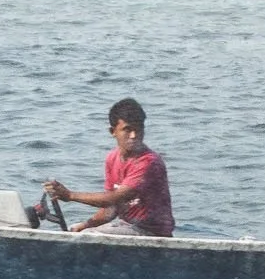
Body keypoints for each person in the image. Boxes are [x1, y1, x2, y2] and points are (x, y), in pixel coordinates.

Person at [43, 96, 175, 236]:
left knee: (88, 237)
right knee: (75, 230)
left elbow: (114, 198)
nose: (133, 136)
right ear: (113, 132)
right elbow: (111, 209)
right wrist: (85, 225)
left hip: (152, 233)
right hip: (127, 226)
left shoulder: (148, 162)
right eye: (127, 130)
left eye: (138, 129)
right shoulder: (112, 159)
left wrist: (70, 195)